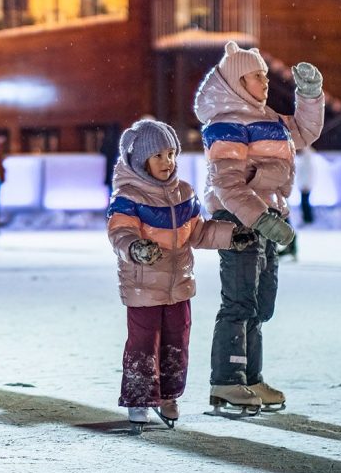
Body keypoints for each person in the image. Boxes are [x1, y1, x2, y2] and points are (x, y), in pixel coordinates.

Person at [194, 41, 324, 413]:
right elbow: (227, 183)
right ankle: (226, 381)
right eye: (256, 76)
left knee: (261, 303)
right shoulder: (225, 126)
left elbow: (304, 131)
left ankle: (251, 378)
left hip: (268, 217)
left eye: (266, 76)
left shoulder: (268, 120)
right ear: (237, 80)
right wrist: (261, 219)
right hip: (239, 222)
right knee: (239, 301)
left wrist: (310, 95)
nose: (265, 82)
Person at [107, 119, 256, 431]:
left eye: (171, 154)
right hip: (143, 287)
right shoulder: (129, 196)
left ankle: (167, 395)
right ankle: (139, 398)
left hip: (180, 286)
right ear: (140, 159)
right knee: (143, 343)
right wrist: (136, 248)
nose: (167, 162)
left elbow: (198, 232)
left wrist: (231, 235)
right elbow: (120, 232)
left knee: (177, 342)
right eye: (158, 156)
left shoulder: (183, 193)